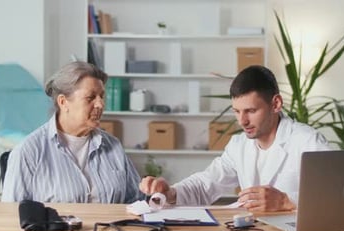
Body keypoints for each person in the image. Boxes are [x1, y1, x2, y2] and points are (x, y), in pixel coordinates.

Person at [139, 65, 330, 212]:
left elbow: (336, 199)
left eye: (251, 111)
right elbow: (207, 184)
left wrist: (287, 202)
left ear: (276, 104)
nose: (242, 121)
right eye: (237, 112)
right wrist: (171, 193)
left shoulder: (308, 142)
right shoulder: (239, 145)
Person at [2, 61, 145, 203]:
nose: (100, 104)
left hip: (111, 226)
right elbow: (10, 216)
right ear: (63, 102)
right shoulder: (28, 152)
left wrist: (158, 195)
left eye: (101, 96)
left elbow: (137, 201)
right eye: (90, 98)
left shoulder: (113, 146)